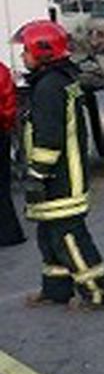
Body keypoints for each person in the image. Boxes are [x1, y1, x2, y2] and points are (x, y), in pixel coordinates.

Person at [14, 20, 104, 309]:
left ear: (43, 52)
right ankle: (56, 290)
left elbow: (49, 138)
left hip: (60, 179)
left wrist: (36, 174)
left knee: (69, 237)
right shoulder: (58, 80)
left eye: (26, 51)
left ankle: (98, 293)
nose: (22, 56)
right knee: (49, 237)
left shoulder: (49, 87)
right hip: (63, 175)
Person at [0, 58, 24, 246]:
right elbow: (9, 105)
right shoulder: (2, 70)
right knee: (3, 185)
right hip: (1, 132)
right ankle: (10, 233)